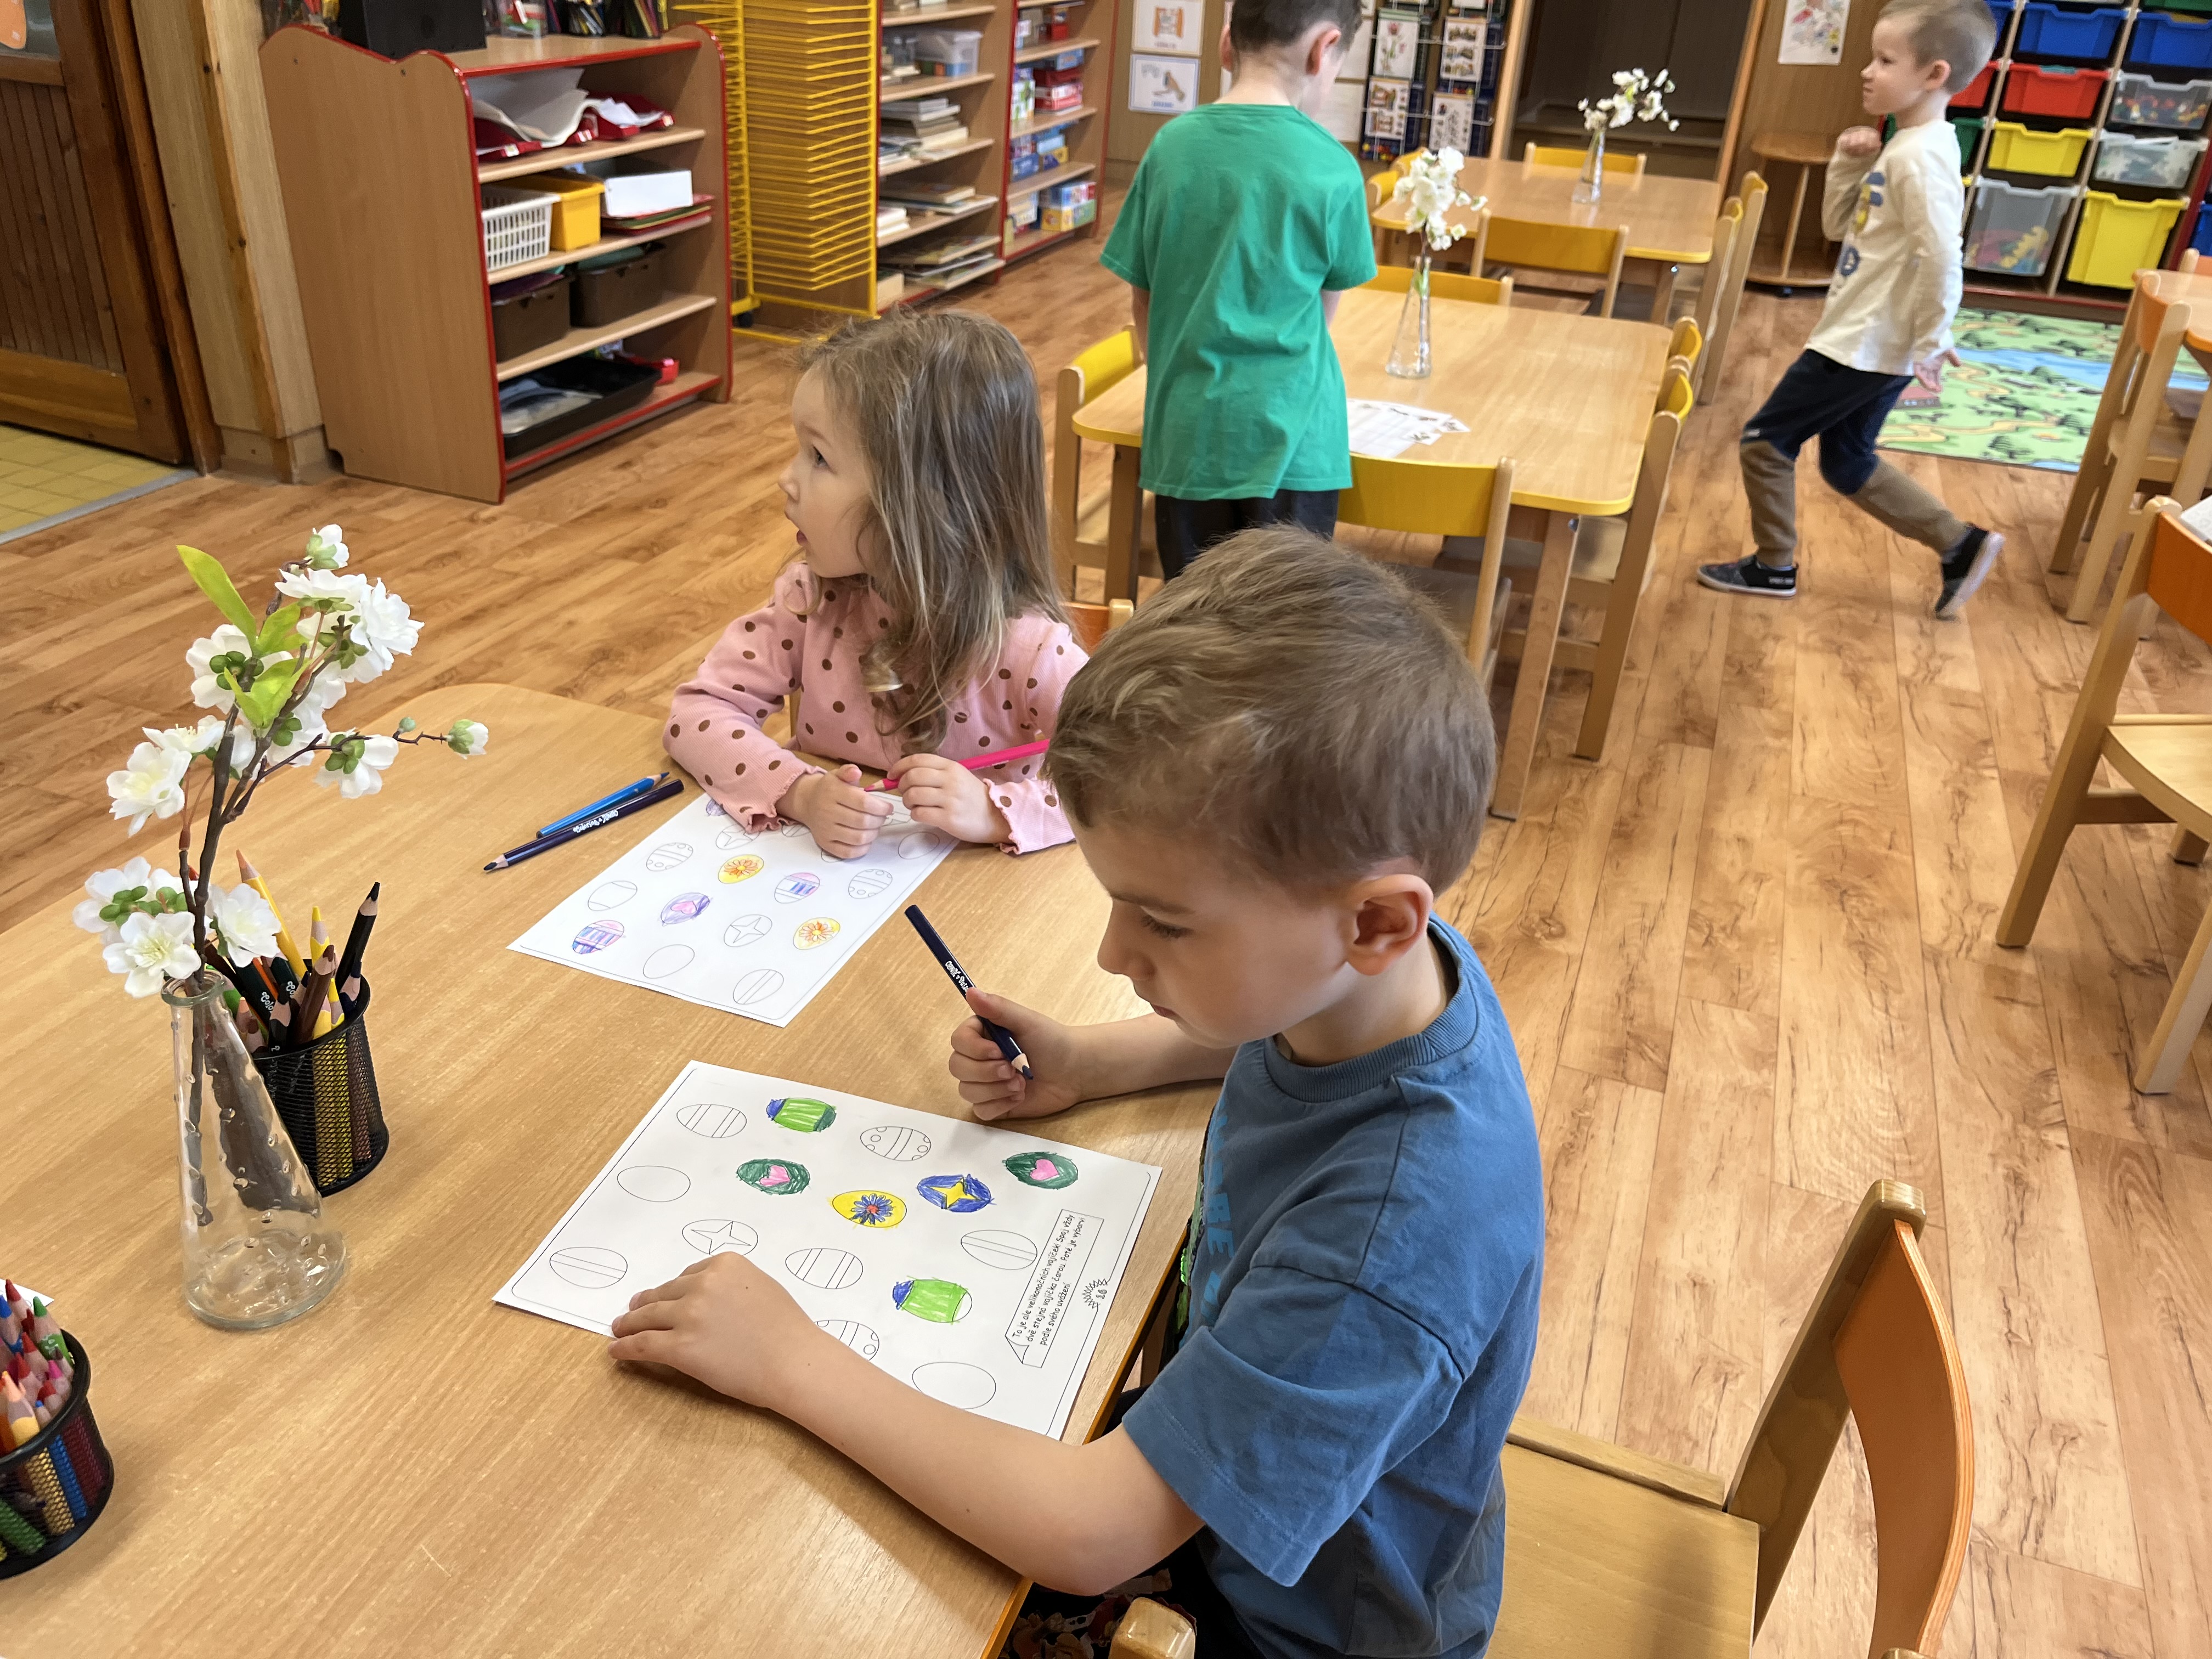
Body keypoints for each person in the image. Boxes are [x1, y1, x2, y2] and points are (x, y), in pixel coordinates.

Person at [612, 530, 1545, 1659]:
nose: (1113, 953)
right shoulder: (1388, 973)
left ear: (1376, 921)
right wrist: (1094, 1062)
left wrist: (790, 1362)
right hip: (1227, 1474)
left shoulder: (1386, 1245)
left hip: (1284, 1625)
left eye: (1164, 921)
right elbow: (1282, 1026)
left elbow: (1091, 1532)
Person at [665, 311, 1083, 857]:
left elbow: (1130, 776)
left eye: (819, 457)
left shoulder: (1032, 651)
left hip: (975, 896)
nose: (786, 479)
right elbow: (697, 713)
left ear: (923, 503)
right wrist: (800, 793)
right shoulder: (809, 599)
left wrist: (994, 812)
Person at [1699, 0, 2003, 618]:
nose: (1867, 71)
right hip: (1872, 342)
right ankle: (1960, 544)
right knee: (1847, 461)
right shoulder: (1906, 146)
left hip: (1862, 345)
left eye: (1885, 61)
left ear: (1934, 75)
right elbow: (1841, 228)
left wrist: (1932, 338)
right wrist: (1849, 164)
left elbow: (1943, 255)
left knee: (1765, 441)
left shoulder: (1920, 159)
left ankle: (1773, 566)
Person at [1098, 0, 1377, 578]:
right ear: (1324, 49)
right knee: (1285, 620)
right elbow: (1323, 312)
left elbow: (1145, 298)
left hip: (1188, 437)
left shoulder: (1170, 148)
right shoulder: (1334, 167)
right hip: (1296, 447)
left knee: (1194, 614)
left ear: (1227, 43)